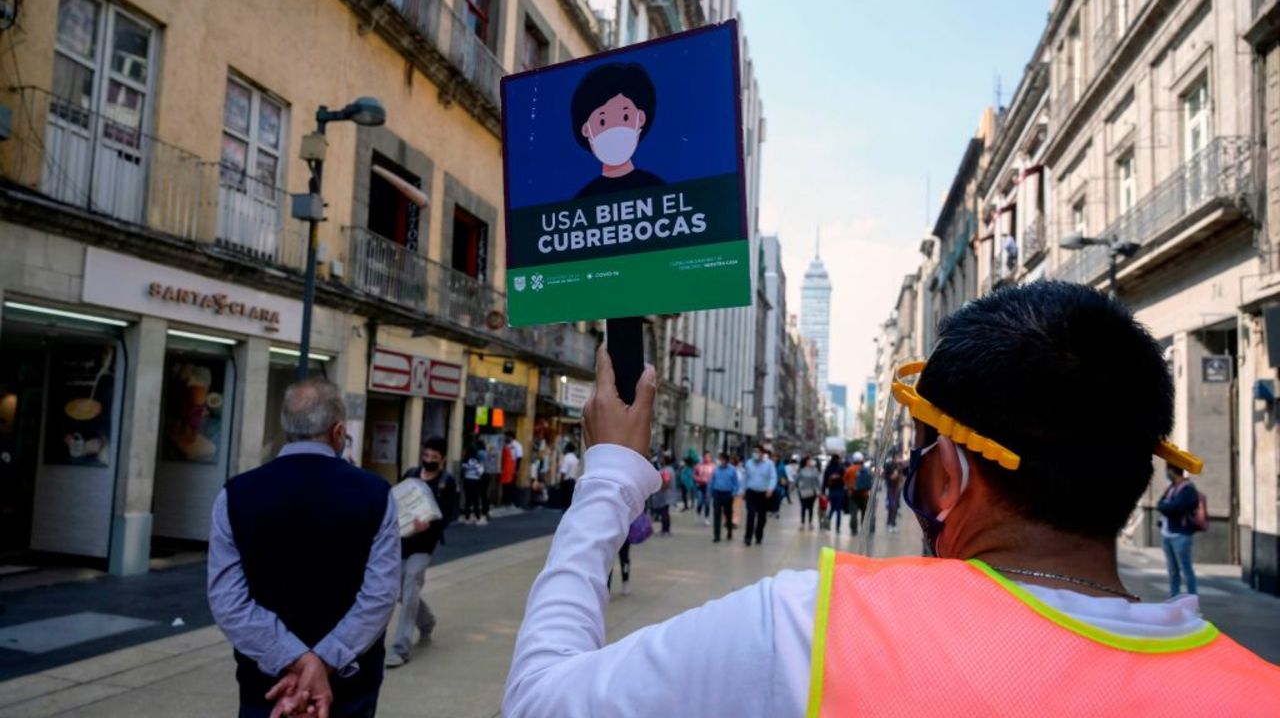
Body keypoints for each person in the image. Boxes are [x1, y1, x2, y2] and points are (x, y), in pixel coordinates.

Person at [504, 286, 1280, 716]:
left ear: (952, 473)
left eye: (921, 450)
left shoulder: (812, 628)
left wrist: (608, 474)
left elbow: (540, 702)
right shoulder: (1258, 691)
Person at [208, 378, 399, 718]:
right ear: (339, 432)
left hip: (266, 685)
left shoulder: (236, 495)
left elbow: (227, 599)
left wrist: (293, 659)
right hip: (348, 686)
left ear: (287, 430)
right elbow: (380, 594)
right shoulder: (375, 494)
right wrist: (323, 661)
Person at [387, 436, 455, 668]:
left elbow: (449, 513)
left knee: (410, 585)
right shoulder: (410, 475)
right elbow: (397, 500)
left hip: (425, 545)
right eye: (426, 456)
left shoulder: (447, 482)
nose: (428, 461)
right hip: (403, 541)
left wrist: (430, 524)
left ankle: (400, 648)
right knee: (398, 590)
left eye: (434, 458)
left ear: (442, 459)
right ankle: (426, 622)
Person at [570, 62, 665, 198]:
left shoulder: (657, 190)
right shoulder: (584, 201)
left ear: (641, 118)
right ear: (586, 129)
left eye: (625, 117)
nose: (614, 130)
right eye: (602, 121)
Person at [1157, 465, 1201, 596]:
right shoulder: (1171, 488)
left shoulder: (1187, 489)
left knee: (1186, 570)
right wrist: (1165, 506)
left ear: (1172, 471)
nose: (1166, 473)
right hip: (1167, 534)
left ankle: (1192, 599)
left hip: (1180, 535)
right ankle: (1174, 598)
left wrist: (1165, 506)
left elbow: (1176, 508)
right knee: (1172, 571)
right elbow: (1160, 504)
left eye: (1167, 471)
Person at [742, 447, 777, 546]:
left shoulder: (769, 464)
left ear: (762, 453)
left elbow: (773, 477)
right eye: (754, 452)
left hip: (764, 493)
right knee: (750, 514)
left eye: (758, 452)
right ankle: (748, 537)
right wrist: (743, 489)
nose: (755, 454)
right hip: (751, 492)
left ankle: (758, 535)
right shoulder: (749, 463)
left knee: (762, 516)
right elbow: (745, 477)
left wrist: (770, 489)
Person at [708, 452, 739, 543]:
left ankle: (729, 531)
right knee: (716, 514)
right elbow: (712, 480)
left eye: (722, 459)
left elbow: (736, 483)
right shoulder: (716, 469)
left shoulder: (732, 470)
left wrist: (734, 492)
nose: (720, 461)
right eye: (719, 459)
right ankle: (716, 535)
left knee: (728, 514)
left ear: (726, 460)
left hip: (728, 494)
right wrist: (711, 491)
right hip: (717, 493)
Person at [843, 451, 873, 535]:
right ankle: (864, 529)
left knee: (853, 513)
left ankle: (854, 530)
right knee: (865, 513)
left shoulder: (849, 470)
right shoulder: (866, 470)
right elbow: (871, 480)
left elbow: (845, 481)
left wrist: (849, 488)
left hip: (853, 495)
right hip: (864, 494)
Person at [460, 445, 488, 526]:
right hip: (476, 481)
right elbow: (480, 471)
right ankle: (478, 518)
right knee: (476, 500)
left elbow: (463, 471)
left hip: (467, 481)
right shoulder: (477, 460)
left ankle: (467, 518)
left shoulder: (465, 460)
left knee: (468, 500)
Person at [650, 455, 675, 535]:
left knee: (664, 513)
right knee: (665, 512)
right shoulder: (669, 469)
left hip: (665, 495)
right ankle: (665, 529)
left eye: (662, 459)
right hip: (667, 494)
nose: (660, 460)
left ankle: (665, 530)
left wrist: (661, 489)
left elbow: (666, 482)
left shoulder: (666, 470)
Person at [795, 455, 822, 530]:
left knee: (811, 508)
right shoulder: (801, 470)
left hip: (812, 492)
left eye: (811, 460)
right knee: (803, 507)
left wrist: (819, 491)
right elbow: (796, 480)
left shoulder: (815, 470)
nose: (811, 462)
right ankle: (802, 523)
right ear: (806, 462)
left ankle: (810, 523)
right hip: (803, 492)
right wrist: (798, 487)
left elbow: (818, 481)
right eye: (809, 460)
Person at [824, 456, 849, 534]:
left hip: (831, 491)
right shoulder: (841, 468)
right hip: (840, 491)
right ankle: (837, 527)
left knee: (832, 508)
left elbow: (825, 481)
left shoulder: (828, 468)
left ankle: (827, 522)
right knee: (838, 510)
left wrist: (823, 491)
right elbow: (845, 478)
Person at [693, 451, 715, 525]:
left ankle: (706, 517)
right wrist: (698, 479)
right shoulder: (698, 466)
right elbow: (694, 475)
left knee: (707, 502)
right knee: (700, 501)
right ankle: (698, 514)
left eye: (708, 457)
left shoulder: (713, 466)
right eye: (705, 457)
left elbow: (715, 476)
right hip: (700, 485)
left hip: (709, 486)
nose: (707, 458)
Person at [884, 456, 904, 533]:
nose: (900, 458)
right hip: (891, 488)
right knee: (893, 506)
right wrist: (892, 476)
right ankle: (892, 524)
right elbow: (887, 477)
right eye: (898, 456)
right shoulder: (890, 465)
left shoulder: (899, 466)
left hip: (897, 488)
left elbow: (901, 477)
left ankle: (890, 523)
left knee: (894, 506)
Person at [559, 442, 581, 510]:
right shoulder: (576, 459)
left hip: (566, 482)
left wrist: (561, 480)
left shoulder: (566, 458)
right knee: (570, 500)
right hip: (573, 481)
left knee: (565, 500)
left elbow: (563, 471)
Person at [500, 437, 517, 506]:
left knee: (505, 487)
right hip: (510, 470)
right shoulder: (512, 449)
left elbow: (503, 460)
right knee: (508, 487)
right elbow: (514, 460)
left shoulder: (506, 449)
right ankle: (507, 501)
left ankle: (505, 501)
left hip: (505, 470)